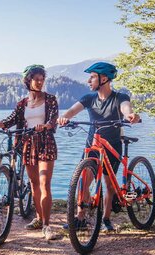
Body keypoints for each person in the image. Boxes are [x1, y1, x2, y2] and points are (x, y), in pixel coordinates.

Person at [0, 65, 59, 240]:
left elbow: (53, 120)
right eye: (36, 78)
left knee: (44, 184)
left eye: (42, 78)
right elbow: (9, 121)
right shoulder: (23, 103)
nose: (40, 82)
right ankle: (38, 217)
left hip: (45, 143)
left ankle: (47, 225)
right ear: (28, 80)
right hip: (28, 144)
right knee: (34, 184)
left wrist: (45, 126)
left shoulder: (51, 100)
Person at [58, 62, 140, 231]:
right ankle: (80, 217)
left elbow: (126, 108)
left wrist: (130, 115)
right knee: (84, 180)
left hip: (112, 145)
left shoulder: (119, 97)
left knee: (108, 184)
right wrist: (64, 117)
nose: (89, 80)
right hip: (92, 145)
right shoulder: (89, 98)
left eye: (92, 77)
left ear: (104, 79)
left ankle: (106, 219)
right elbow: (72, 111)